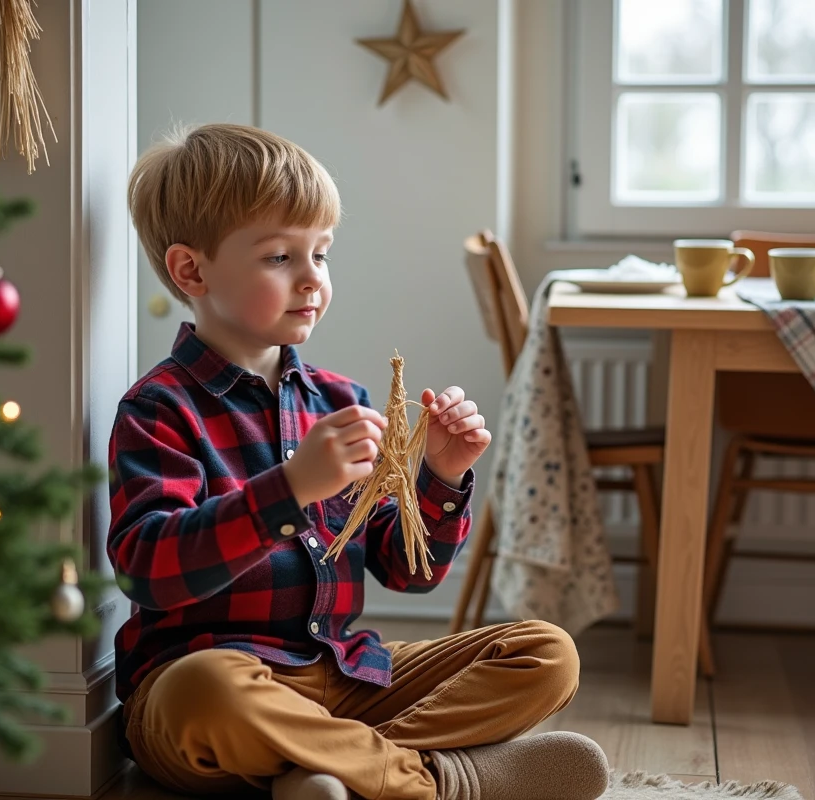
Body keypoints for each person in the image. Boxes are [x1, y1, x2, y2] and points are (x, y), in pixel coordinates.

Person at [107, 122, 610, 800]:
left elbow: (410, 572)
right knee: (206, 693)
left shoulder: (344, 401)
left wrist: (442, 475)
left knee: (548, 654)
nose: (313, 278)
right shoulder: (159, 408)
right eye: (281, 257)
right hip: (209, 683)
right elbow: (149, 571)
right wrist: (287, 489)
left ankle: (323, 769)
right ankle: (439, 783)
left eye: (322, 253)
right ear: (191, 270)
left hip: (341, 676)